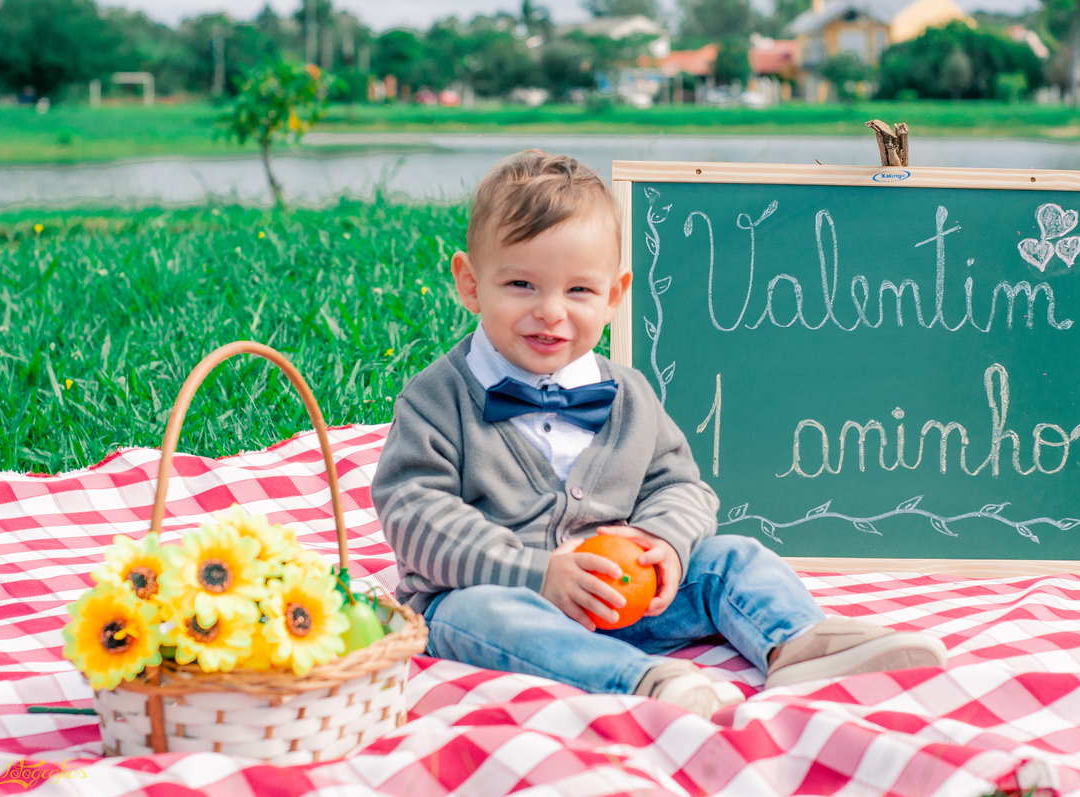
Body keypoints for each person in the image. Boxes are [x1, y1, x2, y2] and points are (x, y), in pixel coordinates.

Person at [370, 150, 946, 719]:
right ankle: (641, 679)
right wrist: (538, 574)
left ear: (614, 298)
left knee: (732, 557)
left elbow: (683, 488)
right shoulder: (438, 397)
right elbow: (415, 514)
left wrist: (664, 541)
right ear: (470, 284)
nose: (550, 311)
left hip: (634, 598)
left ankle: (795, 641)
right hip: (500, 597)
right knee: (476, 617)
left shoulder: (628, 395)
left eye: (579, 291)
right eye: (521, 283)